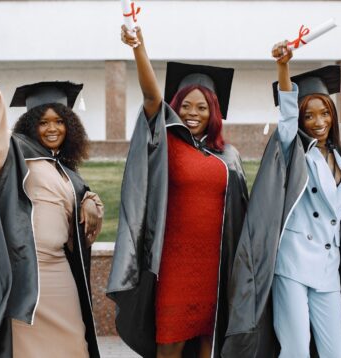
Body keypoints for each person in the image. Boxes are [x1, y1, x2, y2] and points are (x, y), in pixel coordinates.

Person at [221, 41, 341, 357]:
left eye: (324, 113)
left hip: (328, 269)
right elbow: (286, 116)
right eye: (309, 116)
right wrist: (284, 66)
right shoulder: (296, 153)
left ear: (333, 115)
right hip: (293, 265)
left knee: (336, 352)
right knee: (296, 349)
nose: (318, 122)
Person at [106, 26, 248, 358]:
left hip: (215, 265)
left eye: (202, 108)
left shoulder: (229, 156)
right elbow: (151, 97)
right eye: (186, 106)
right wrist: (139, 48)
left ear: (214, 112)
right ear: (176, 107)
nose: (193, 114)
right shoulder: (168, 142)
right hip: (174, 263)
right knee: (169, 343)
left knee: (207, 345)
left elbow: (241, 212)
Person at [0, 55, 103, 357]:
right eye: (43, 122)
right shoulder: (15, 153)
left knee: (74, 344)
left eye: (59, 122)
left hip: (59, 272)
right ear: (30, 124)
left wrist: (91, 201)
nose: (52, 128)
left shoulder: (66, 172)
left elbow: (80, 210)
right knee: (28, 350)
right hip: (25, 273)